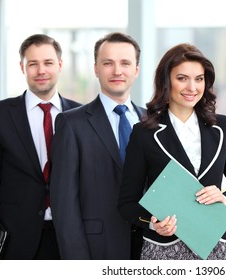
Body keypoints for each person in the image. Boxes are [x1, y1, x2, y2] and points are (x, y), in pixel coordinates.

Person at [117, 43, 226, 260]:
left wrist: (225, 198)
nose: (192, 87)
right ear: (166, 81)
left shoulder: (224, 127)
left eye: (199, 79)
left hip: (214, 249)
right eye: (182, 78)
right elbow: (126, 205)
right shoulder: (144, 133)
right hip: (163, 251)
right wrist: (153, 223)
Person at [0, 34, 81, 260]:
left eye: (48, 63)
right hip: (15, 240)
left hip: (70, 239)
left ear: (60, 65)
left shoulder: (81, 116)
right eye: (33, 64)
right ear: (22, 67)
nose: (41, 70)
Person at [49, 32, 145, 260]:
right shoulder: (71, 124)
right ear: (96, 69)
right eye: (108, 63)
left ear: (136, 70)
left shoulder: (153, 121)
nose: (117, 71)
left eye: (125, 63)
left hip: (149, 248)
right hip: (96, 249)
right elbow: (63, 203)